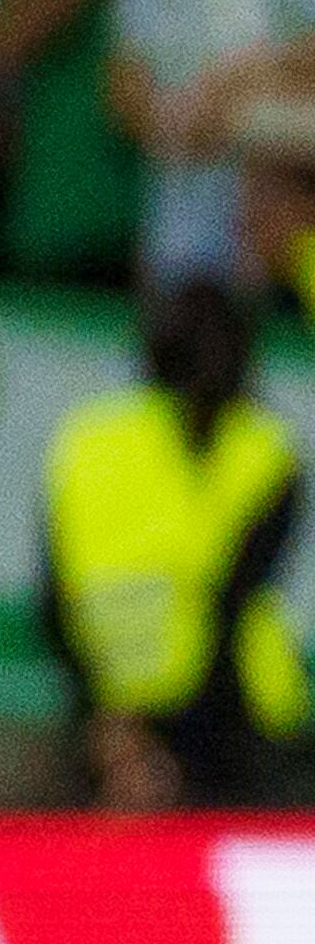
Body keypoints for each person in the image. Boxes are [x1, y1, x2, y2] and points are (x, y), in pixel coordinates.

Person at [38, 278, 308, 810]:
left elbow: (52, 608)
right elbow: (229, 605)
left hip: (112, 719)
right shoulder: (263, 446)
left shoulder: (83, 440)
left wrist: (116, 728)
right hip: (240, 726)